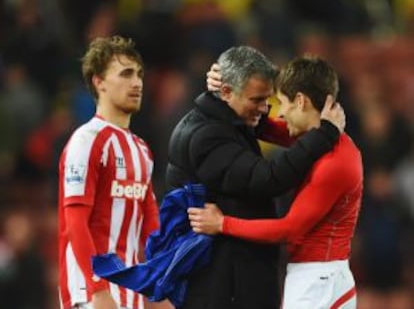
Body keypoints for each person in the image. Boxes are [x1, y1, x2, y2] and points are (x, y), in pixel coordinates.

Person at [166, 46, 345, 309]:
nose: (265, 109)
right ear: (226, 92)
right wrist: (325, 134)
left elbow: (258, 121)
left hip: (232, 274)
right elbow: (266, 179)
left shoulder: (225, 118)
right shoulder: (208, 136)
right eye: (257, 100)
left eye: (268, 100)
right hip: (225, 283)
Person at [58, 36, 167, 309]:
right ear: (99, 82)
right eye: (126, 74)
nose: (137, 83)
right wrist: (98, 289)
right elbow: (75, 223)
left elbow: (151, 227)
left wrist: (163, 286)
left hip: (129, 295)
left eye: (140, 74)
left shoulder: (142, 149)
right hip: (89, 294)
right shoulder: (87, 140)